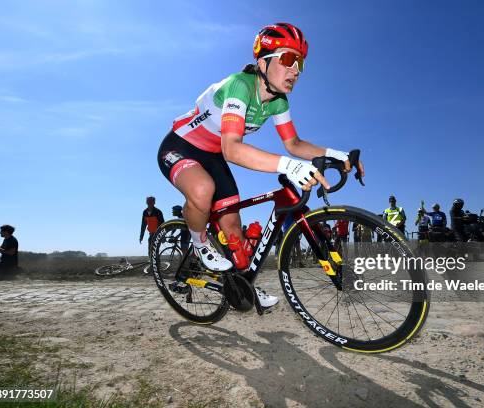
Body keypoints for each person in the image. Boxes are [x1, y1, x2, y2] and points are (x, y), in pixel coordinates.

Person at [156, 23, 364, 308]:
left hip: (212, 154)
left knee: (234, 233)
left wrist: (337, 154)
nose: (296, 71)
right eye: (289, 60)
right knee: (203, 189)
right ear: (263, 61)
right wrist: (289, 167)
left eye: (300, 63)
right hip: (180, 147)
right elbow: (232, 149)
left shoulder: (278, 101)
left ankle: (243, 288)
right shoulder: (240, 85)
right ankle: (199, 243)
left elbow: (294, 144)